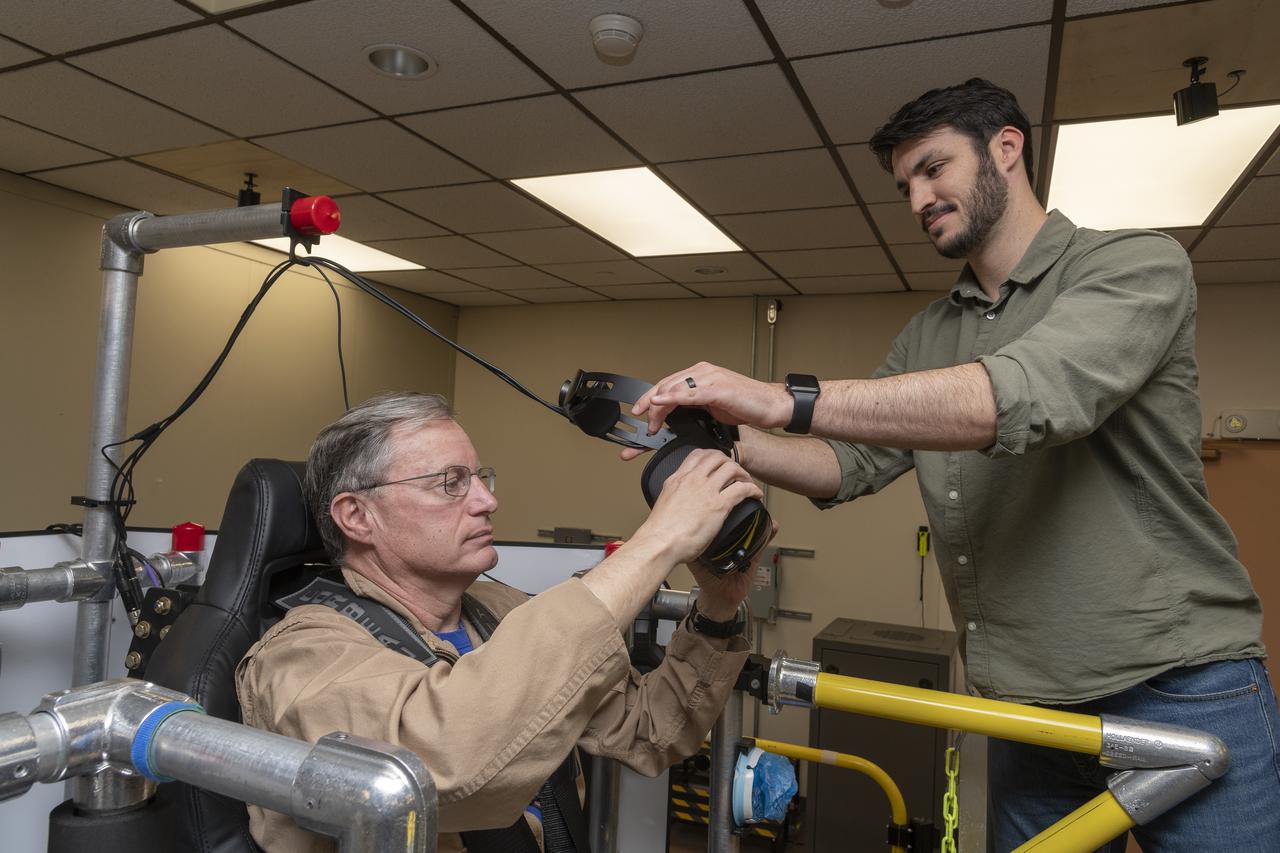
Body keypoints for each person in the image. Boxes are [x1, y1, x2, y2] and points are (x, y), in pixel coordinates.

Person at [628, 79, 1279, 851]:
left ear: (1008, 148)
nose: (918, 198)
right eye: (906, 185)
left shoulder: (1136, 266)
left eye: (934, 168)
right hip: (1029, 703)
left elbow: (1017, 395)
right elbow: (849, 461)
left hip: (1178, 682)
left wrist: (778, 396)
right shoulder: (931, 333)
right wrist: (713, 439)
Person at [236, 391, 760, 852]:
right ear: (357, 516)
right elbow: (436, 770)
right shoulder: (303, 653)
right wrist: (658, 542)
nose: (488, 502)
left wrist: (718, 606)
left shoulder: (502, 611)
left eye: (480, 479)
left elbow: (648, 732)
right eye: (450, 483)